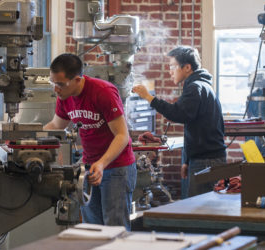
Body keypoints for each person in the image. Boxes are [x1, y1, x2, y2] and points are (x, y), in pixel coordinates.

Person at [44, 53, 136, 230]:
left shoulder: (103, 92)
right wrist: (29, 138)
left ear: (78, 80)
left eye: (61, 84)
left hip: (116, 167)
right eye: (53, 83)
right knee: (92, 230)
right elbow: (56, 125)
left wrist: (102, 163)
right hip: (90, 168)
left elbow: (122, 136)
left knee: (115, 231)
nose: (56, 89)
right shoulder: (64, 96)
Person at [132, 46, 226, 198]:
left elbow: (178, 113)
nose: (170, 71)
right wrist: (187, 160)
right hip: (204, 158)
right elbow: (193, 125)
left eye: (172, 67)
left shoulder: (196, 88)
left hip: (207, 161)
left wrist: (149, 98)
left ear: (187, 67)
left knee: (200, 211)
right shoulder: (201, 86)